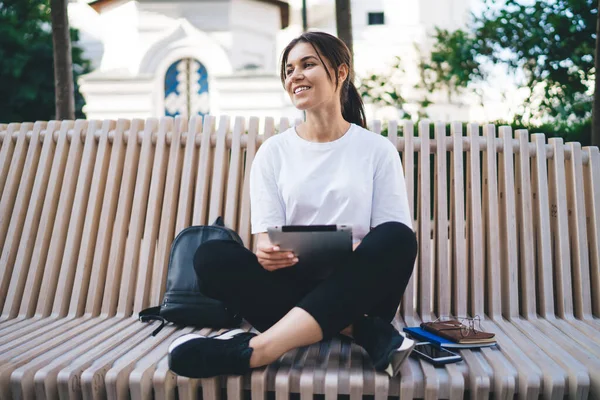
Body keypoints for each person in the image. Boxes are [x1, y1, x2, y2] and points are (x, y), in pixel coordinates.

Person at [168, 31, 418, 379]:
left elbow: (391, 240)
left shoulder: (377, 151)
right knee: (211, 256)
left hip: (362, 289)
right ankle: (361, 331)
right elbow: (264, 241)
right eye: (288, 69)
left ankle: (258, 350)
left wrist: (351, 250)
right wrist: (267, 254)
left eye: (308, 64)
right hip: (290, 286)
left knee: (398, 237)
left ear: (341, 72)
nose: (295, 75)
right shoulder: (273, 152)